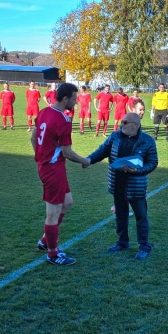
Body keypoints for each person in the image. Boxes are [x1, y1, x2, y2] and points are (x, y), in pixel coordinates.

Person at [87, 112, 158, 260]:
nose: (122, 124)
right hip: (117, 183)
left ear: (135, 125)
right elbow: (102, 151)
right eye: (122, 121)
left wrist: (137, 171)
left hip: (136, 186)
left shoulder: (147, 141)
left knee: (141, 216)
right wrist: (88, 160)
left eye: (125, 122)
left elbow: (153, 162)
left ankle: (144, 246)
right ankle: (122, 242)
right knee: (120, 215)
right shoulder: (115, 136)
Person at [32, 83, 90, 265]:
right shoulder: (64, 120)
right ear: (65, 99)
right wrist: (84, 161)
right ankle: (52, 253)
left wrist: (40, 157)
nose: (76, 102)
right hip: (52, 168)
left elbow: (33, 137)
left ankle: (45, 240)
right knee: (53, 212)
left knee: (67, 202)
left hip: (51, 166)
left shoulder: (44, 112)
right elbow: (67, 152)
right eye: (74, 98)